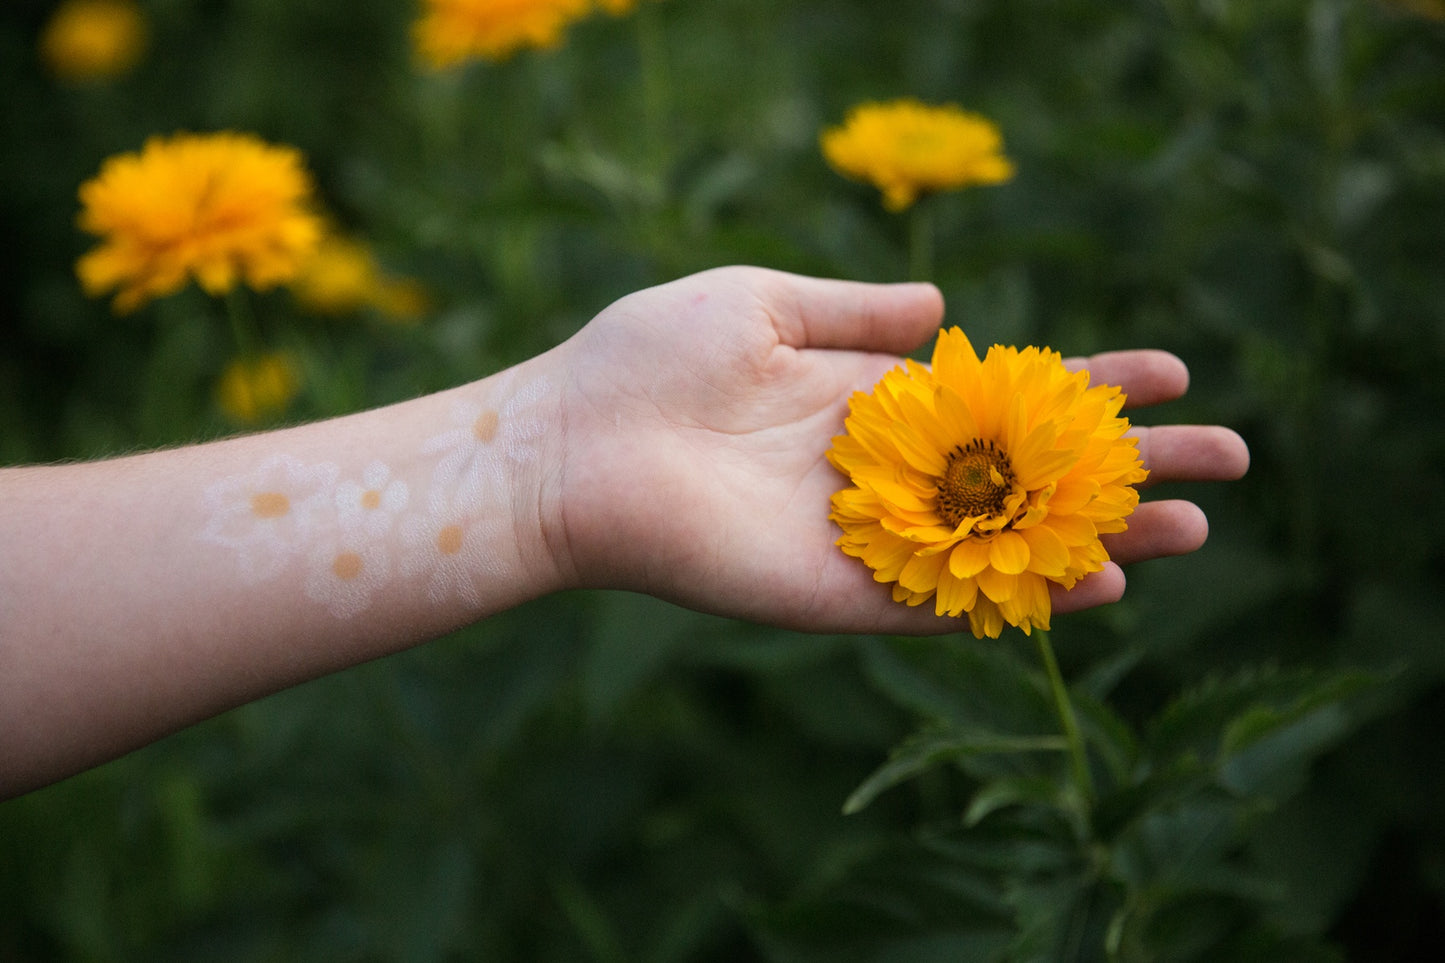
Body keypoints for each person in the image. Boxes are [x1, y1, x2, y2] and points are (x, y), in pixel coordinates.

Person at [0, 266, 1249, 799]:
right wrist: (541, 459)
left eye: (981, 479)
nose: (974, 483)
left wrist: (540, 459)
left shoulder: (1018, 473)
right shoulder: (916, 487)